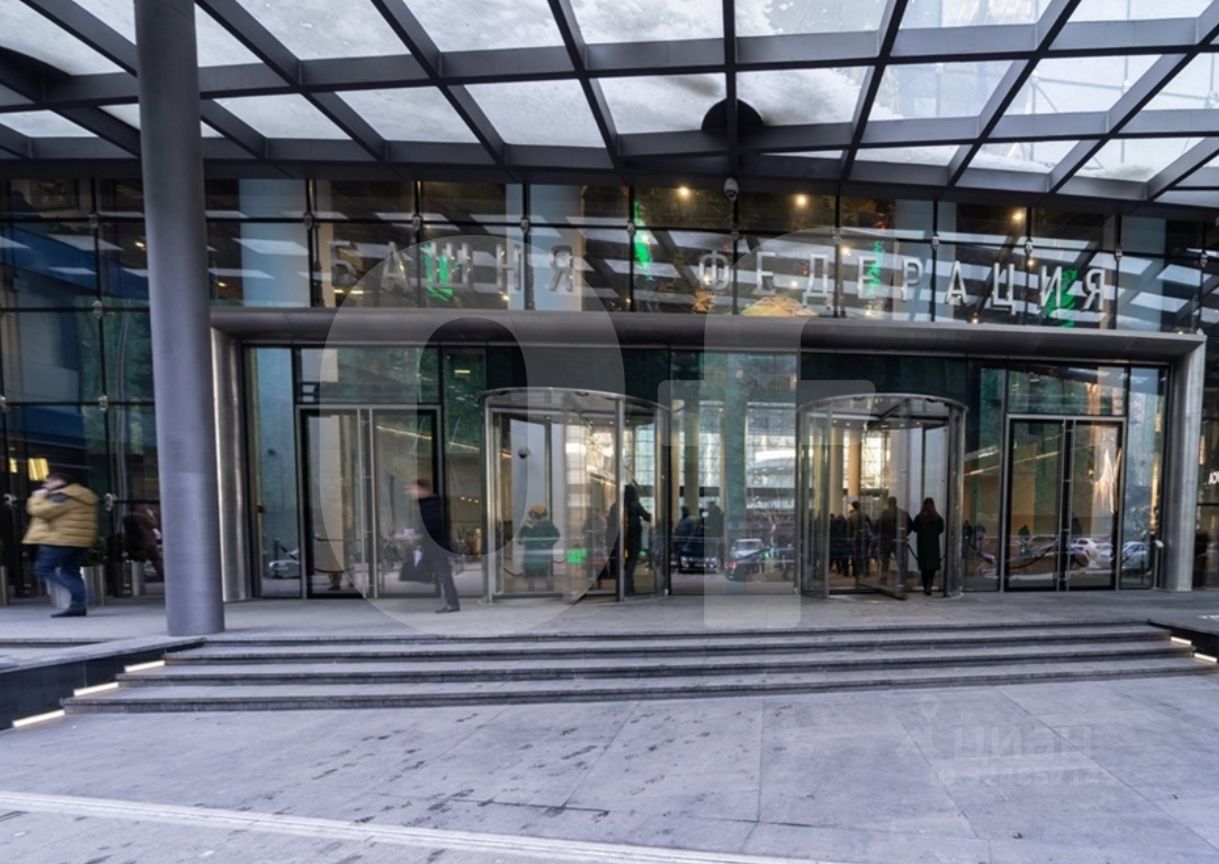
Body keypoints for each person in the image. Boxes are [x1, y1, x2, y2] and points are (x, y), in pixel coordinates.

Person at [23, 472, 99, 618]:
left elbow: (41, 511)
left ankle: (83, 594)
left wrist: (37, 498)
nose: (44, 485)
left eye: (48, 482)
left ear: (60, 481)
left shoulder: (63, 495)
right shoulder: (82, 494)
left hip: (60, 540)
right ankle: (77, 606)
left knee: (43, 569)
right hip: (79, 540)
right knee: (70, 571)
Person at [410, 480, 459, 613]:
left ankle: (452, 604)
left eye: (414, 489)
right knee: (441, 574)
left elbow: (430, 527)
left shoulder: (431, 505)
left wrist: (416, 535)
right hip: (433, 546)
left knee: (443, 575)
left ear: (423, 489)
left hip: (435, 546)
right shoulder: (429, 504)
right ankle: (452, 603)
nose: (411, 492)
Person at [519, 504, 560, 591]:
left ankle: (549, 587)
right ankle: (531, 588)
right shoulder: (528, 524)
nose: (533, 516)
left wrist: (546, 544)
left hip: (541, 553)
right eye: (532, 514)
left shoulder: (547, 525)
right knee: (530, 572)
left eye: (534, 514)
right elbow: (521, 535)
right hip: (530, 553)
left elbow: (556, 535)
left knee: (544, 571)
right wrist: (522, 540)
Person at [912, 497, 946, 596]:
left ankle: (925, 586)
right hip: (933, 545)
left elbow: (914, 528)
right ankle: (929, 586)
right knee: (932, 568)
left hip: (922, 545)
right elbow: (941, 529)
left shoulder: (919, 517)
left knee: (924, 568)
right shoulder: (937, 518)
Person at [623, 484, 652, 595]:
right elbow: (647, 517)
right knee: (631, 563)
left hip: (622, 540)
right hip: (633, 538)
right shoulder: (635, 505)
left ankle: (624, 586)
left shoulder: (616, 506)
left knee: (625, 563)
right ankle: (628, 586)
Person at [122, 504, 163, 581]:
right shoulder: (138, 516)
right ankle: (163, 576)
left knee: (139, 561)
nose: (146, 507)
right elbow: (153, 524)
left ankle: (134, 580)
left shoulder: (128, 517)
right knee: (156, 559)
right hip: (146, 543)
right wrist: (151, 515)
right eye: (143, 505)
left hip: (136, 543)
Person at [876, 496, 912, 581]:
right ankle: (903, 579)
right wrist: (904, 534)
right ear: (896, 502)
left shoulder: (884, 513)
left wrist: (880, 536)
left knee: (885, 561)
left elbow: (878, 526)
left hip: (886, 540)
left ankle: (883, 579)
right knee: (901, 561)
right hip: (898, 539)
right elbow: (911, 525)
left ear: (888, 503)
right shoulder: (902, 513)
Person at [846, 501, 870, 583]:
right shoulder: (865, 515)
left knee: (856, 555)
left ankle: (857, 571)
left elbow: (849, 530)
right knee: (865, 554)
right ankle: (866, 571)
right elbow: (871, 525)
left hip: (855, 538)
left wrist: (849, 538)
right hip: (865, 536)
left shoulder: (851, 517)